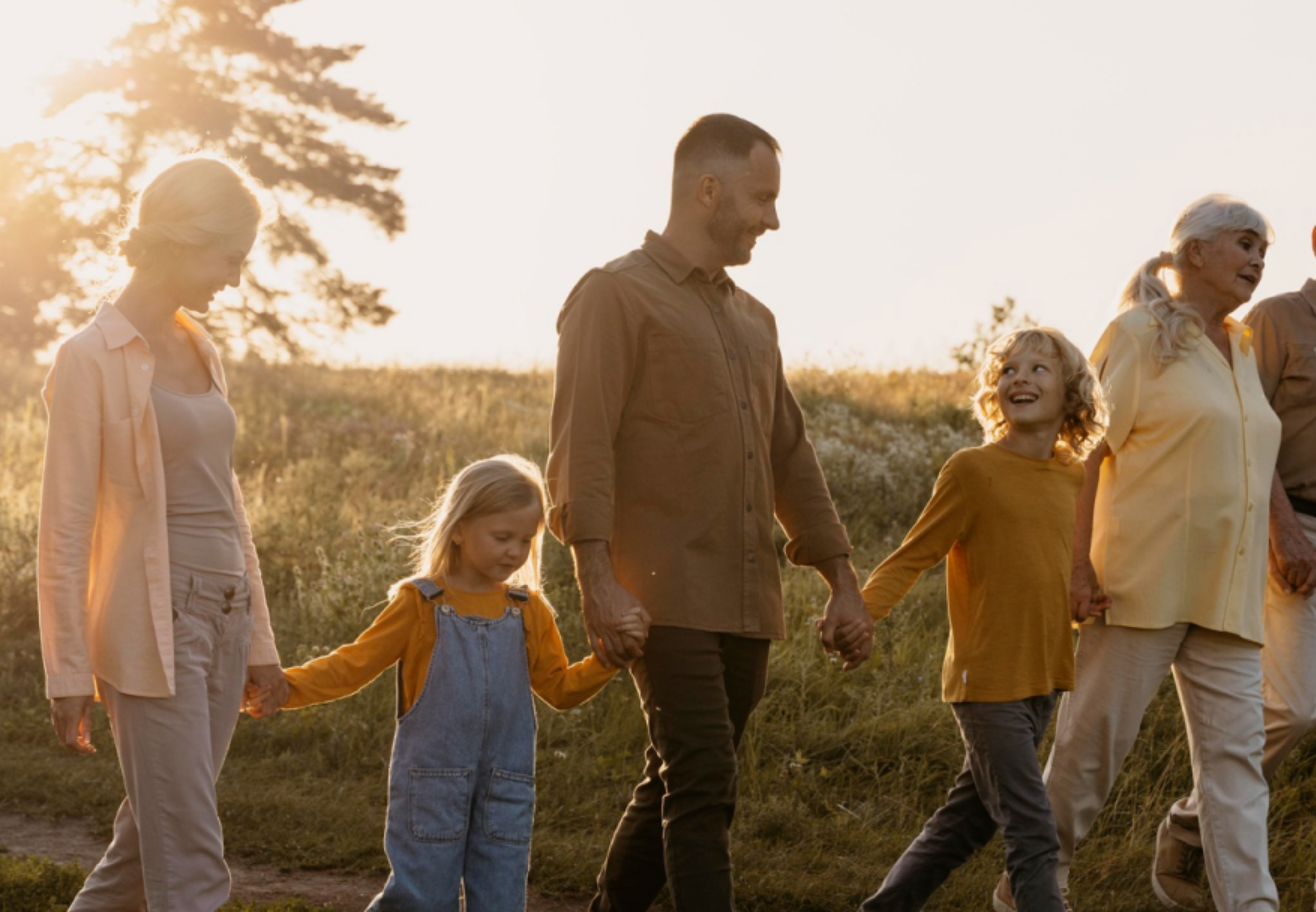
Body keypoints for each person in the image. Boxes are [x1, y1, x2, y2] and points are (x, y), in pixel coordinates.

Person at [546, 112, 874, 912]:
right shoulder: (613, 296)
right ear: (708, 189)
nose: (773, 218)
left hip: (745, 597)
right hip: (659, 596)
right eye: (762, 198)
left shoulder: (755, 322)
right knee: (704, 783)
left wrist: (841, 580)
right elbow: (581, 447)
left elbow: (792, 455)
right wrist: (597, 581)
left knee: (677, 777)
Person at [37, 154, 290, 911]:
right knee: (192, 861)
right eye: (230, 257)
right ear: (185, 237)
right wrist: (66, 671)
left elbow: (227, 501)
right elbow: (66, 526)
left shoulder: (200, 344)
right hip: (154, 622)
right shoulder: (88, 358)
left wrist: (261, 642)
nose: (236, 279)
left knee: (148, 850)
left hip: (225, 608)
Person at [1157, 190, 1316, 912]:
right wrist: (1284, 531)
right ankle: (1192, 820)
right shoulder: (1274, 321)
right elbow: (1247, 429)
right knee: (1289, 707)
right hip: (1307, 534)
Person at [1031, 194, 1284, 912]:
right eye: (1245, 243)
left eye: (1264, 247)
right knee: (1088, 756)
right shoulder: (1138, 334)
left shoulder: (1240, 346)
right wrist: (1075, 568)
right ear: (1194, 253)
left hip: (1227, 597)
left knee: (1238, 770)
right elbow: (1081, 457)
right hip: (1136, 585)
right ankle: (1031, 888)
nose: (1259, 258)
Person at [245, 455, 631, 910]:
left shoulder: (530, 610)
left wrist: (607, 660)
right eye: (502, 537)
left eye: (526, 540)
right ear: (460, 528)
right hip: (431, 785)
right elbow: (354, 664)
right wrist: (287, 687)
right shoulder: (421, 603)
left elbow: (560, 690)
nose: (514, 551)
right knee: (421, 900)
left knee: (503, 901)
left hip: (505, 787)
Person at [854, 328, 1097, 912]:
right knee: (1034, 832)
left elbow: (1059, 557)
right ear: (995, 391)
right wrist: (859, 613)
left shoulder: (1072, 475)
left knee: (965, 822)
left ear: (1071, 396)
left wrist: (1083, 591)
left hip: (1043, 678)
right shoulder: (971, 470)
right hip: (986, 682)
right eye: (1009, 369)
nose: (1020, 377)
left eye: (1039, 369)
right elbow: (914, 554)